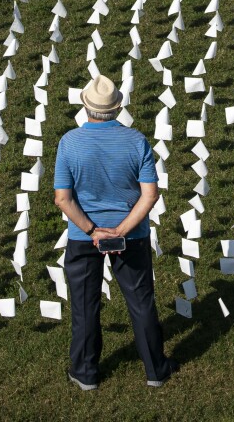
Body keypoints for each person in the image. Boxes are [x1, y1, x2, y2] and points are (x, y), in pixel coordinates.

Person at [53, 74, 179, 390]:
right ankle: (155, 370)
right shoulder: (137, 141)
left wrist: (93, 230)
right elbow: (150, 194)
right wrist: (121, 229)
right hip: (131, 237)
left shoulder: (69, 142)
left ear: (86, 107)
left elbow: (62, 199)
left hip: (84, 239)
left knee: (84, 305)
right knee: (141, 302)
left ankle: (85, 374)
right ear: (118, 107)